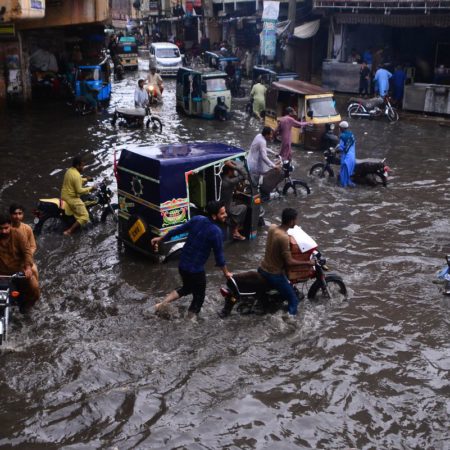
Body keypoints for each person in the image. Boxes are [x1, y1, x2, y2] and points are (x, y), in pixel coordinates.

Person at [151, 201, 233, 318]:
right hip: (195, 271)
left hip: (183, 265)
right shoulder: (216, 232)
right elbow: (219, 258)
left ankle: (161, 304)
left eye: (225, 212)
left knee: (187, 288)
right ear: (214, 216)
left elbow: (177, 230)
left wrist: (160, 238)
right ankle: (189, 323)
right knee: (199, 298)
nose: (225, 215)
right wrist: (226, 273)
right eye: (222, 214)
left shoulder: (197, 219)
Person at [258, 208, 315, 316]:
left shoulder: (273, 227)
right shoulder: (283, 237)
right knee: (294, 300)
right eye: (295, 220)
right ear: (291, 221)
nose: (296, 222)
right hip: (274, 274)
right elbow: (289, 262)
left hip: (262, 268)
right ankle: (289, 322)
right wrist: (308, 263)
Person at [0, 212, 40, 308]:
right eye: (0, 229)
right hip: (1, 273)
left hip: (18, 272)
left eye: (6, 228)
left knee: (34, 289)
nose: (4, 231)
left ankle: (26, 308)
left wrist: (27, 268)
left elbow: (27, 252)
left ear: (10, 225)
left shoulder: (18, 234)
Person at [60, 156, 96, 236]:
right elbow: (79, 191)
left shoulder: (70, 170)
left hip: (64, 195)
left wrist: (86, 179)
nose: (83, 167)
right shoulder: (76, 175)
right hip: (71, 198)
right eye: (82, 166)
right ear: (77, 166)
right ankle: (69, 231)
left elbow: (77, 180)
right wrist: (91, 188)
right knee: (85, 216)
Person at [9, 203, 38, 281]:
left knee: (34, 271)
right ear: (10, 215)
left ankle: (36, 292)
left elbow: (33, 246)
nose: (17, 216)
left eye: (20, 213)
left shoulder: (27, 228)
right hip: (9, 259)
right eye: (15, 214)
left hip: (24, 259)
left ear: (23, 214)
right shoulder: (5, 229)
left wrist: (27, 257)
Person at [220, 161, 247, 241]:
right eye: (233, 171)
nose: (234, 173)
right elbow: (245, 175)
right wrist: (234, 166)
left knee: (237, 202)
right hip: (226, 207)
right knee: (244, 207)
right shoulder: (229, 182)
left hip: (223, 202)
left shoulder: (221, 177)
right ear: (229, 171)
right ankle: (235, 230)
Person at [337, 121, 356, 188]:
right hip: (352, 158)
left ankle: (343, 189)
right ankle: (349, 184)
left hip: (346, 159)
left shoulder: (342, 136)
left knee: (343, 177)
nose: (339, 129)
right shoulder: (351, 135)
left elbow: (341, 148)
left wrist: (336, 151)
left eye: (340, 128)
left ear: (342, 128)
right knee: (347, 176)